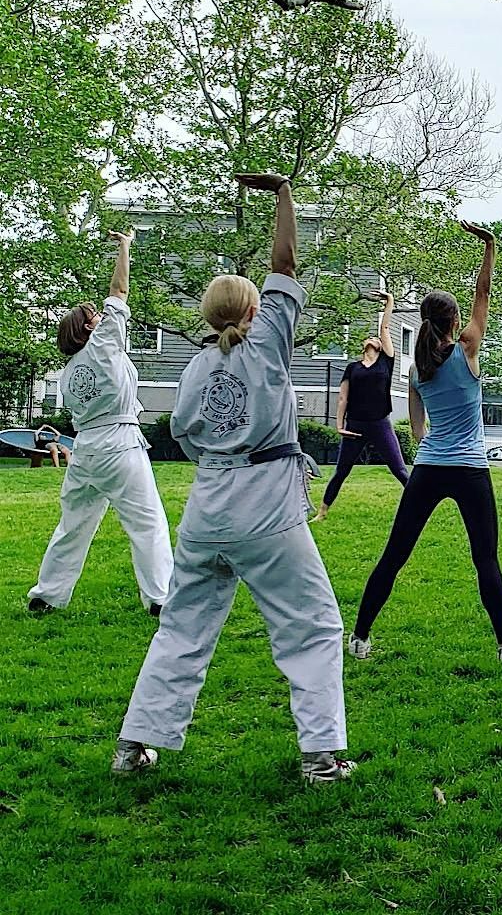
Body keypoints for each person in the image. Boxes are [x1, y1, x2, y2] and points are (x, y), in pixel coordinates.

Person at [112, 173, 354, 783]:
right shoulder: (268, 341)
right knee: (312, 624)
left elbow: (184, 434)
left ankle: (135, 743)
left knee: (183, 628)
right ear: (254, 310)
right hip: (265, 510)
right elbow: (288, 262)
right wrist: (284, 198)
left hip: (206, 510)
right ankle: (321, 756)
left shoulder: (194, 367)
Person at [348, 220, 502, 663]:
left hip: (429, 468)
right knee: (485, 559)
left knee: (395, 554)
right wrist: (489, 245)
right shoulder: (466, 349)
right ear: (454, 321)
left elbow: (416, 431)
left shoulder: (416, 371)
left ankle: (359, 638)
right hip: (470, 468)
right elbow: (483, 294)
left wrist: (437, 444)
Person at [27, 232, 173, 615]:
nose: (103, 317)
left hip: (86, 449)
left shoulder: (68, 371)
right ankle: (160, 598)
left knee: (73, 526)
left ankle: (47, 595)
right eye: (97, 316)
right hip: (120, 444)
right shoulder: (105, 344)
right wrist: (125, 247)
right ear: (91, 327)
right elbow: (120, 290)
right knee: (148, 523)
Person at [312, 291, 409, 522]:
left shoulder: (387, 361)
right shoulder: (353, 367)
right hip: (354, 426)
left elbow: (384, 328)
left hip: (380, 425)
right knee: (341, 472)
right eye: (369, 337)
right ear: (363, 345)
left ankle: (422, 503)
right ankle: (322, 512)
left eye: (375, 338)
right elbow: (343, 398)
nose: (373, 338)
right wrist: (339, 425)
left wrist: (390, 302)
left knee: (399, 470)